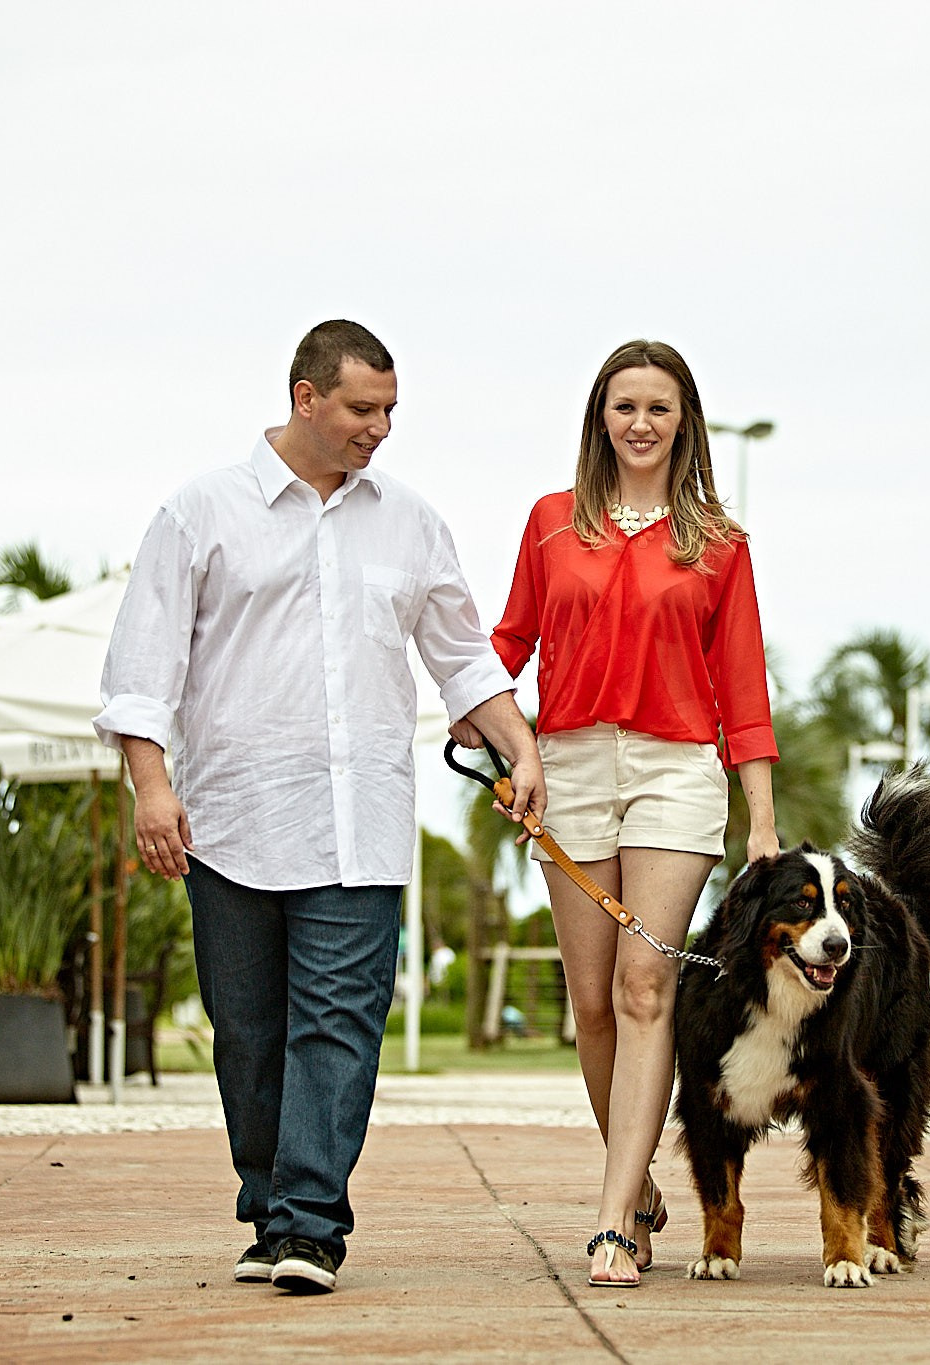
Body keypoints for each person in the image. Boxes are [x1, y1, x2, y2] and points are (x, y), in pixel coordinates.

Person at [95, 320, 544, 1296]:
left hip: (361, 827)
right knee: (248, 1034)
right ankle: (268, 1207)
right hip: (233, 822)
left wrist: (518, 739)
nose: (378, 427)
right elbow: (142, 664)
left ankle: (308, 1226)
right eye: (360, 408)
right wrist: (152, 786)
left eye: (389, 410)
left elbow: (461, 654)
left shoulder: (412, 522)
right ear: (306, 398)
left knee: (337, 1027)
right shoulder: (199, 512)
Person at [463, 339, 778, 1288]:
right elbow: (502, 648)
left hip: (677, 770)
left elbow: (744, 690)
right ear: (600, 417)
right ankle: (635, 1183)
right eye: (624, 406)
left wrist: (759, 822)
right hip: (568, 764)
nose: (641, 424)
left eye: (660, 408)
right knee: (592, 1002)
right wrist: (510, 752)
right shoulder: (553, 523)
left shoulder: (720, 543)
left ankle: (611, 1221)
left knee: (648, 987)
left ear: (686, 423)